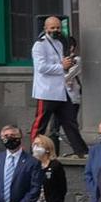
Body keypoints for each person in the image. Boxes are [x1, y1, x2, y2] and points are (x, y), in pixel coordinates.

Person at [30, 16, 83, 157]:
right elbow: (41, 67)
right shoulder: (39, 45)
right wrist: (61, 66)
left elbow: (60, 66)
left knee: (70, 122)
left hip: (60, 91)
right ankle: (34, 151)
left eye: (58, 27)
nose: (56, 30)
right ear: (46, 29)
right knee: (41, 123)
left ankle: (81, 152)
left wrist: (66, 65)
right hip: (46, 91)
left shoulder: (59, 44)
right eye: (52, 27)